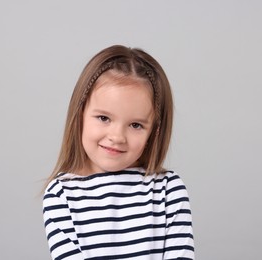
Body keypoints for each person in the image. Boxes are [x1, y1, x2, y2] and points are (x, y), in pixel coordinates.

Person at [43, 45, 194, 260]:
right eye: (104, 118)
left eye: (135, 125)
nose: (117, 136)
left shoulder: (168, 190)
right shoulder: (61, 194)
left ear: (154, 131)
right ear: (80, 114)